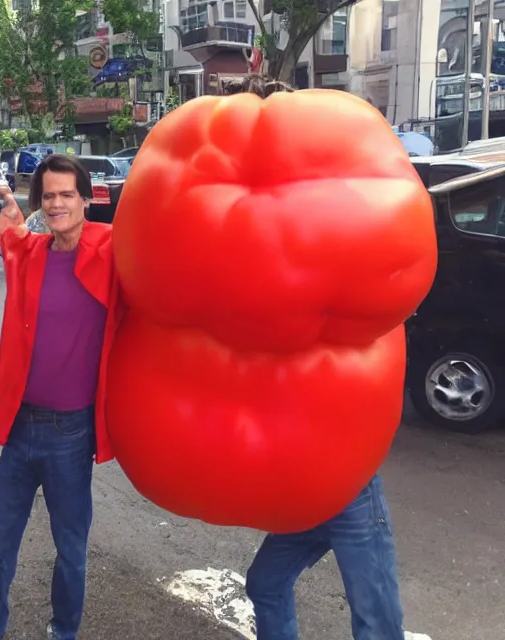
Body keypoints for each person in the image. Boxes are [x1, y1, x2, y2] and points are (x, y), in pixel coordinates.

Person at [232, 75, 408, 640]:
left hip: (348, 481)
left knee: (376, 617)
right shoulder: (258, 228)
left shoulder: (336, 214)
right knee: (265, 585)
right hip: (302, 485)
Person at [0, 154, 121, 640]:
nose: (58, 203)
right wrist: (10, 213)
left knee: (70, 549)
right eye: (49, 196)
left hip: (71, 429)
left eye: (67, 194)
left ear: (87, 198)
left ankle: (63, 632)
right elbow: (14, 238)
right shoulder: (34, 252)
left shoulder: (112, 250)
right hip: (21, 424)